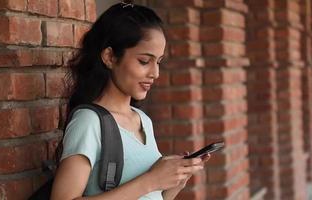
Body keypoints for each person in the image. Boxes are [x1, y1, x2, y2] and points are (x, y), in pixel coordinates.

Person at [50, 1, 210, 200]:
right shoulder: (89, 122)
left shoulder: (143, 120)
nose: (155, 73)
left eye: (158, 62)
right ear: (109, 57)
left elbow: (151, 196)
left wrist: (177, 179)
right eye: (144, 61)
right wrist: (151, 180)